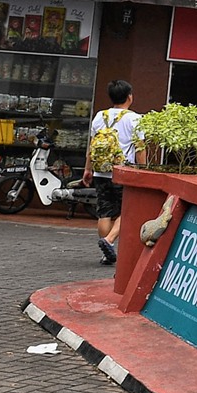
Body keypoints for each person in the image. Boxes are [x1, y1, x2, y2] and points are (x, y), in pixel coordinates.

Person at [88, 80, 142, 265]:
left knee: (104, 212)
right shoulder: (134, 118)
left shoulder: (99, 116)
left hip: (100, 171)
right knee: (129, 209)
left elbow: (92, 146)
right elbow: (140, 147)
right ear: (129, 97)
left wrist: (88, 169)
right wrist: (142, 171)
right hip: (123, 172)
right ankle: (109, 241)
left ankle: (106, 252)